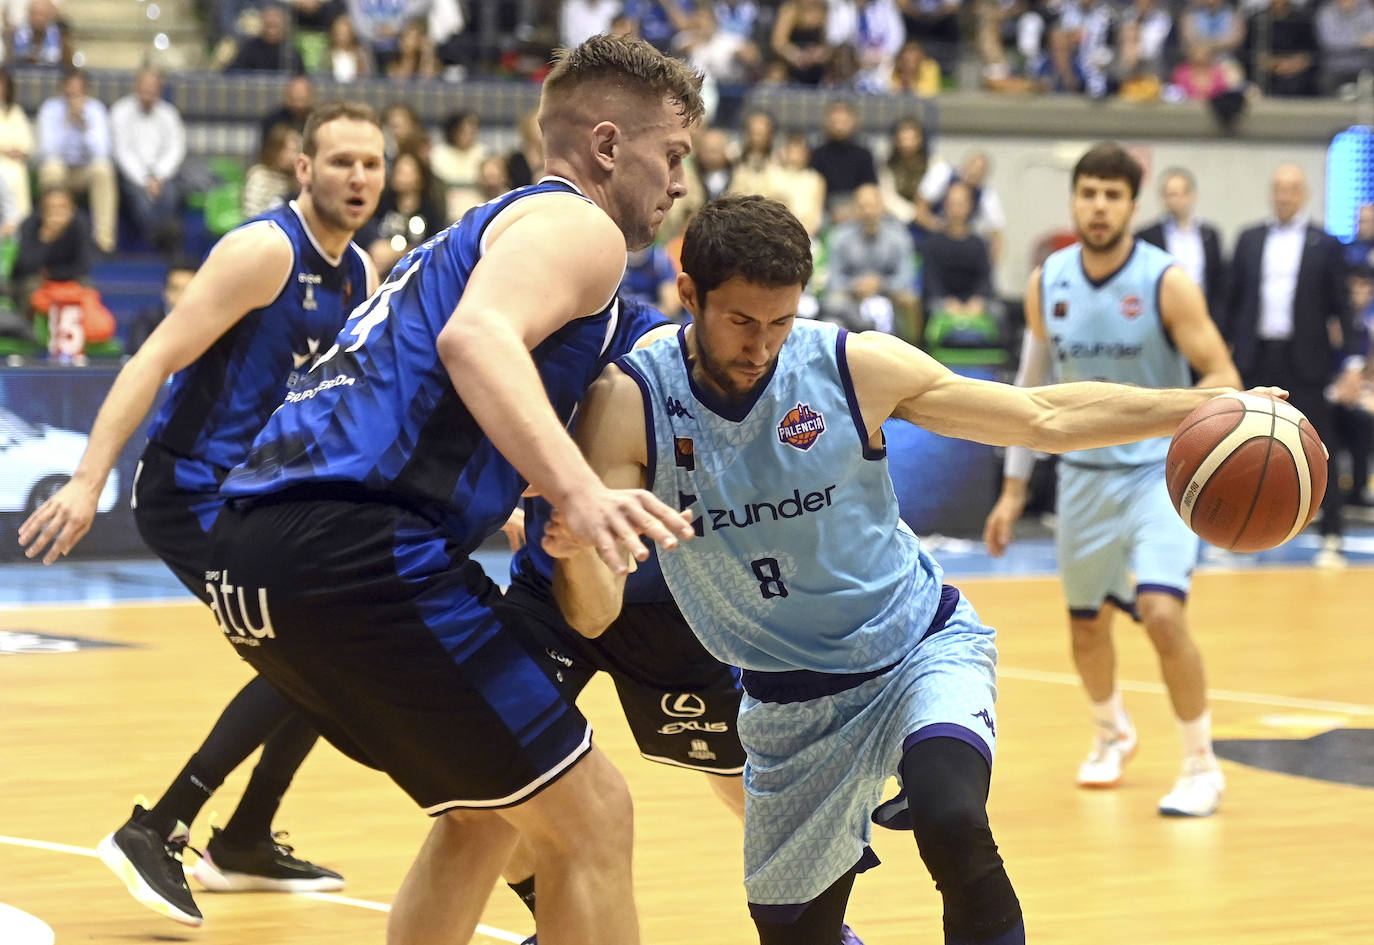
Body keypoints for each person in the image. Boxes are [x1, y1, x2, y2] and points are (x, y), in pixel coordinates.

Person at [547, 192, 1256, 943]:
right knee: (794, 932)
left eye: (781, 321)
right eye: (742, 322)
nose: (762, 345)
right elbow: (595, 611)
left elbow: (1041, 416)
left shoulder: (851, 366)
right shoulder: (630, 403)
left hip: (915, 648)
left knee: (951, 816)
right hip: (790, 703)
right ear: (688, 294)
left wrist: (1204, 405)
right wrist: (573, 550)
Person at [191, 35, 701, 945]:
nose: (678, 185)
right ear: (610, 146)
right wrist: (576, 489)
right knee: (596, 816)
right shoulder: (577, 228)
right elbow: (476, 342)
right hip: (360, 547)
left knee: (483, 814)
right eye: (674, 156)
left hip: (256, 555)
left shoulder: (488, 228)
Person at [17, 101, 386, 927]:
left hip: (264, 495)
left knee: (330, 643)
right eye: (340, 162)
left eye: (371, 162)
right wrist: (86, 477)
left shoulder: (360, 274)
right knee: (313, 637)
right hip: (190, 491)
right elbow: (154, 355)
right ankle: (158, 827)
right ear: (302, 169)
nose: (357, 177)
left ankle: (247, 835)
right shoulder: (263, 251)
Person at [983, 143, 1242, 818]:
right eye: (1089, 193)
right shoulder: (1049, 280)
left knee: (1161, 612)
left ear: (1133, 204)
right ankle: (1111, 732)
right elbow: (1029, 386)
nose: (1098, 206)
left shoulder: (1167, 280)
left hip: (1161, 474)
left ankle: (1201, 763)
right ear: (1075, 199)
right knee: (1086, 627)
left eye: (1112, 195)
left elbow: (1222, 375)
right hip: (1083, 477)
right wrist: (1012, 491)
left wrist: (1194, 419)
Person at [1224, 163, 1362, 568]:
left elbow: (1342, 309)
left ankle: (1331, 534)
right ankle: (1235, 533)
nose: (1284, 196)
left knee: (1320, 445)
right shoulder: (1249, 239)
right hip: (1256, 356)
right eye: (1279, 188)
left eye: (1292, 189)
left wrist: (1352, 365)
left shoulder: (1326, 243)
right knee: (1241, 445)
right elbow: (1230, 305)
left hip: (1307, 359)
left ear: (1303, 194)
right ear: (1272, 192)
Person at [35, 68, 117, 253]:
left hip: (85, 170)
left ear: (86, 90)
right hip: (61, 169)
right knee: (50, 170)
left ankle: (103, 242)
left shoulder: (96, 110)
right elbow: (46, 152)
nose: (73, 96)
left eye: (78, 91)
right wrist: (66, 123)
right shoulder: (50, 109)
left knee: (103, 170)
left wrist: (83, 125)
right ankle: (51, 235)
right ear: (62, 89)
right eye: (69, 90)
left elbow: (102, 151)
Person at [1136, 166, 1227, 327]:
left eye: (1178, 194)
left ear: (1191, 195)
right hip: (1162, 321)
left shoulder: (1209, 235)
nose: (1173, 200)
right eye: (1168, 194)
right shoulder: (1148, 236)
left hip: (1203, 319)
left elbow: (1220, 284)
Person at [109, 67, 187, 254]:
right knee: (141, 198)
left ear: (160, 90)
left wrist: (158, 176)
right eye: (144, 89)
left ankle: (160, 237)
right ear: (135, 87)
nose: (148, 94)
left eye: (152, 89)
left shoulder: (169, 114)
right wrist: (145, 179)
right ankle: (159, 239)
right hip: (132, 173)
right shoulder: (120, 111)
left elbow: (175, 149)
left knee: (171, 193)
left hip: (162, 173)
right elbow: (122, 152)